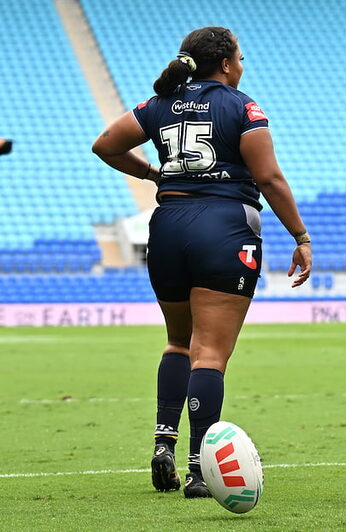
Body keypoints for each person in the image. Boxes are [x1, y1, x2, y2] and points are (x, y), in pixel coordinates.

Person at [91, 26, 312, 498]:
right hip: (224, 226)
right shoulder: (242, 105)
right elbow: (269, 178)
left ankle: (163, 442)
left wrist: (154, 173)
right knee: (210, 353)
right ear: (228, 64)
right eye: (241, 58)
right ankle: (199, 469)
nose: (242, 66)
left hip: (168, 224)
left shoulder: (160, 103)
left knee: (178, 342)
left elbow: (105, 144)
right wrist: (301, 235)